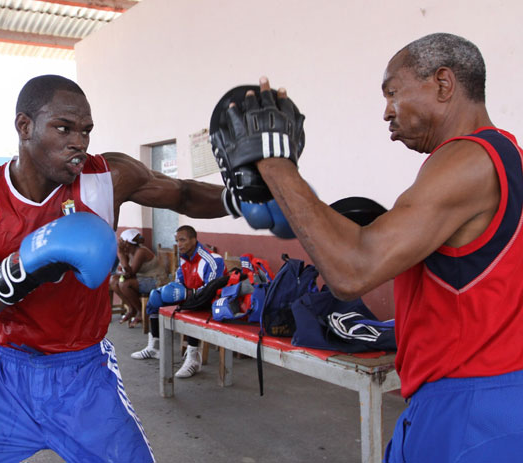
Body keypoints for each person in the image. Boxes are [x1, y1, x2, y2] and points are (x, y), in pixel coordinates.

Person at [218, 33, 523, 462]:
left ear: (443, 83)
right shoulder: (504, 155)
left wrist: (271, 159)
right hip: (474, 397)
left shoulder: (468, 160)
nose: (386, 112)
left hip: (471, 409)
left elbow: (351, 273)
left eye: (393, 93)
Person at [0, 74, 230, 462]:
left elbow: (185, 194)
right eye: (64, 128)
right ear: (24, 126)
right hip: (4, 378)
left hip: (85, 376)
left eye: (86, 131)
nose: (79, 142)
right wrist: (23, 268)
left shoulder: (107, 176)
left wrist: (242, 195)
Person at [131, 225, 226, 379]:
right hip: (191, 299)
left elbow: (211, 290)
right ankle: (154, 346)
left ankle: (193, 358)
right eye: (177, 240)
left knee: (193, 309)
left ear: (194, 239)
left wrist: (187, 294)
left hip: (211, 303)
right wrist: (174, 291)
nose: (179, 244)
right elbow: (178, 282)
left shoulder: (212, 260)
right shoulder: (183, 259)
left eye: (182, 240)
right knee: (155, 298)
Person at [110, 228, 168, 326]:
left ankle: (140, 312)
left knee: (125, 285)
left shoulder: (141, 251)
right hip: (141, 278)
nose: (120, 244)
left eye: (122, 241)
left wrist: (120, 254)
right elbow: (123, 269)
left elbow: (130, 273)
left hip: (156, 280)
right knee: (113, 281)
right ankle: (131, 308)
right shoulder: (128, 251)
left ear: (127, 243)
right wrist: (121, 269)